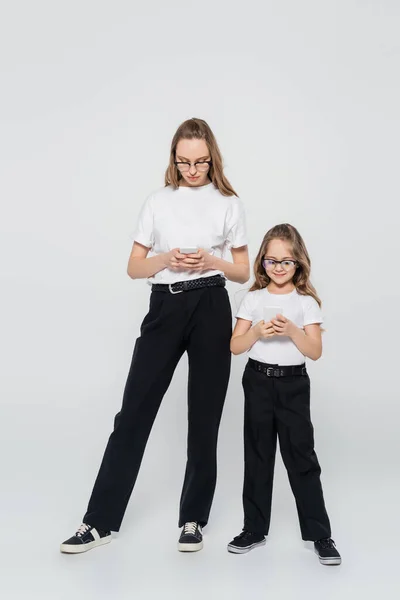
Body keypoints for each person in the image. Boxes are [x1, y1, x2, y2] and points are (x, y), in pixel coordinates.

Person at [60, 118, 249, 554]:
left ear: (212, 158)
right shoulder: (157, 202)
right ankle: (100, 521)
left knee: (205, 417)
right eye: (184, 161)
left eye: (201, 161)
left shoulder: (228, 203)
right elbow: (134, 267)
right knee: (133, 413)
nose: (193, 169)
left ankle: (192, 519)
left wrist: (209, 260)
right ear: (174, 158)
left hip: (211, 305)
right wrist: (167, 258)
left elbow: (243, 270)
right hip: (164, 305)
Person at [226, 224, 341, 566]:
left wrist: (291, 330)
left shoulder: (305, 302)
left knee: (301, 457)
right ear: (262, 262)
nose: (278, 268)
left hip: (293, 385)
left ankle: (320, 534)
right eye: (271, 261)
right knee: (258, 455)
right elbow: (235, 346)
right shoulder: (253, 299)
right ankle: (254, 529)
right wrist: (258, 332)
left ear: (298, 265)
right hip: (258, 381)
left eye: (287, 262)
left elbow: (315, 352)